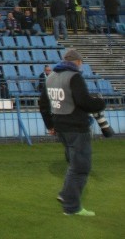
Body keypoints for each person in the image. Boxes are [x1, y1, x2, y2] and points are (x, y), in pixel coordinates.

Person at [38, 49, 106, 217]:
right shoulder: (74, 77)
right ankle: (71, 207)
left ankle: (65, 195)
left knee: (73, 164)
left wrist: (49, 125)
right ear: (77, 62)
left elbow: (43, 103)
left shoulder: (51, 77)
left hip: (60, 127)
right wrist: (100, 103)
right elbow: (84, 102)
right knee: (81, 167)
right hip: (76, 127)